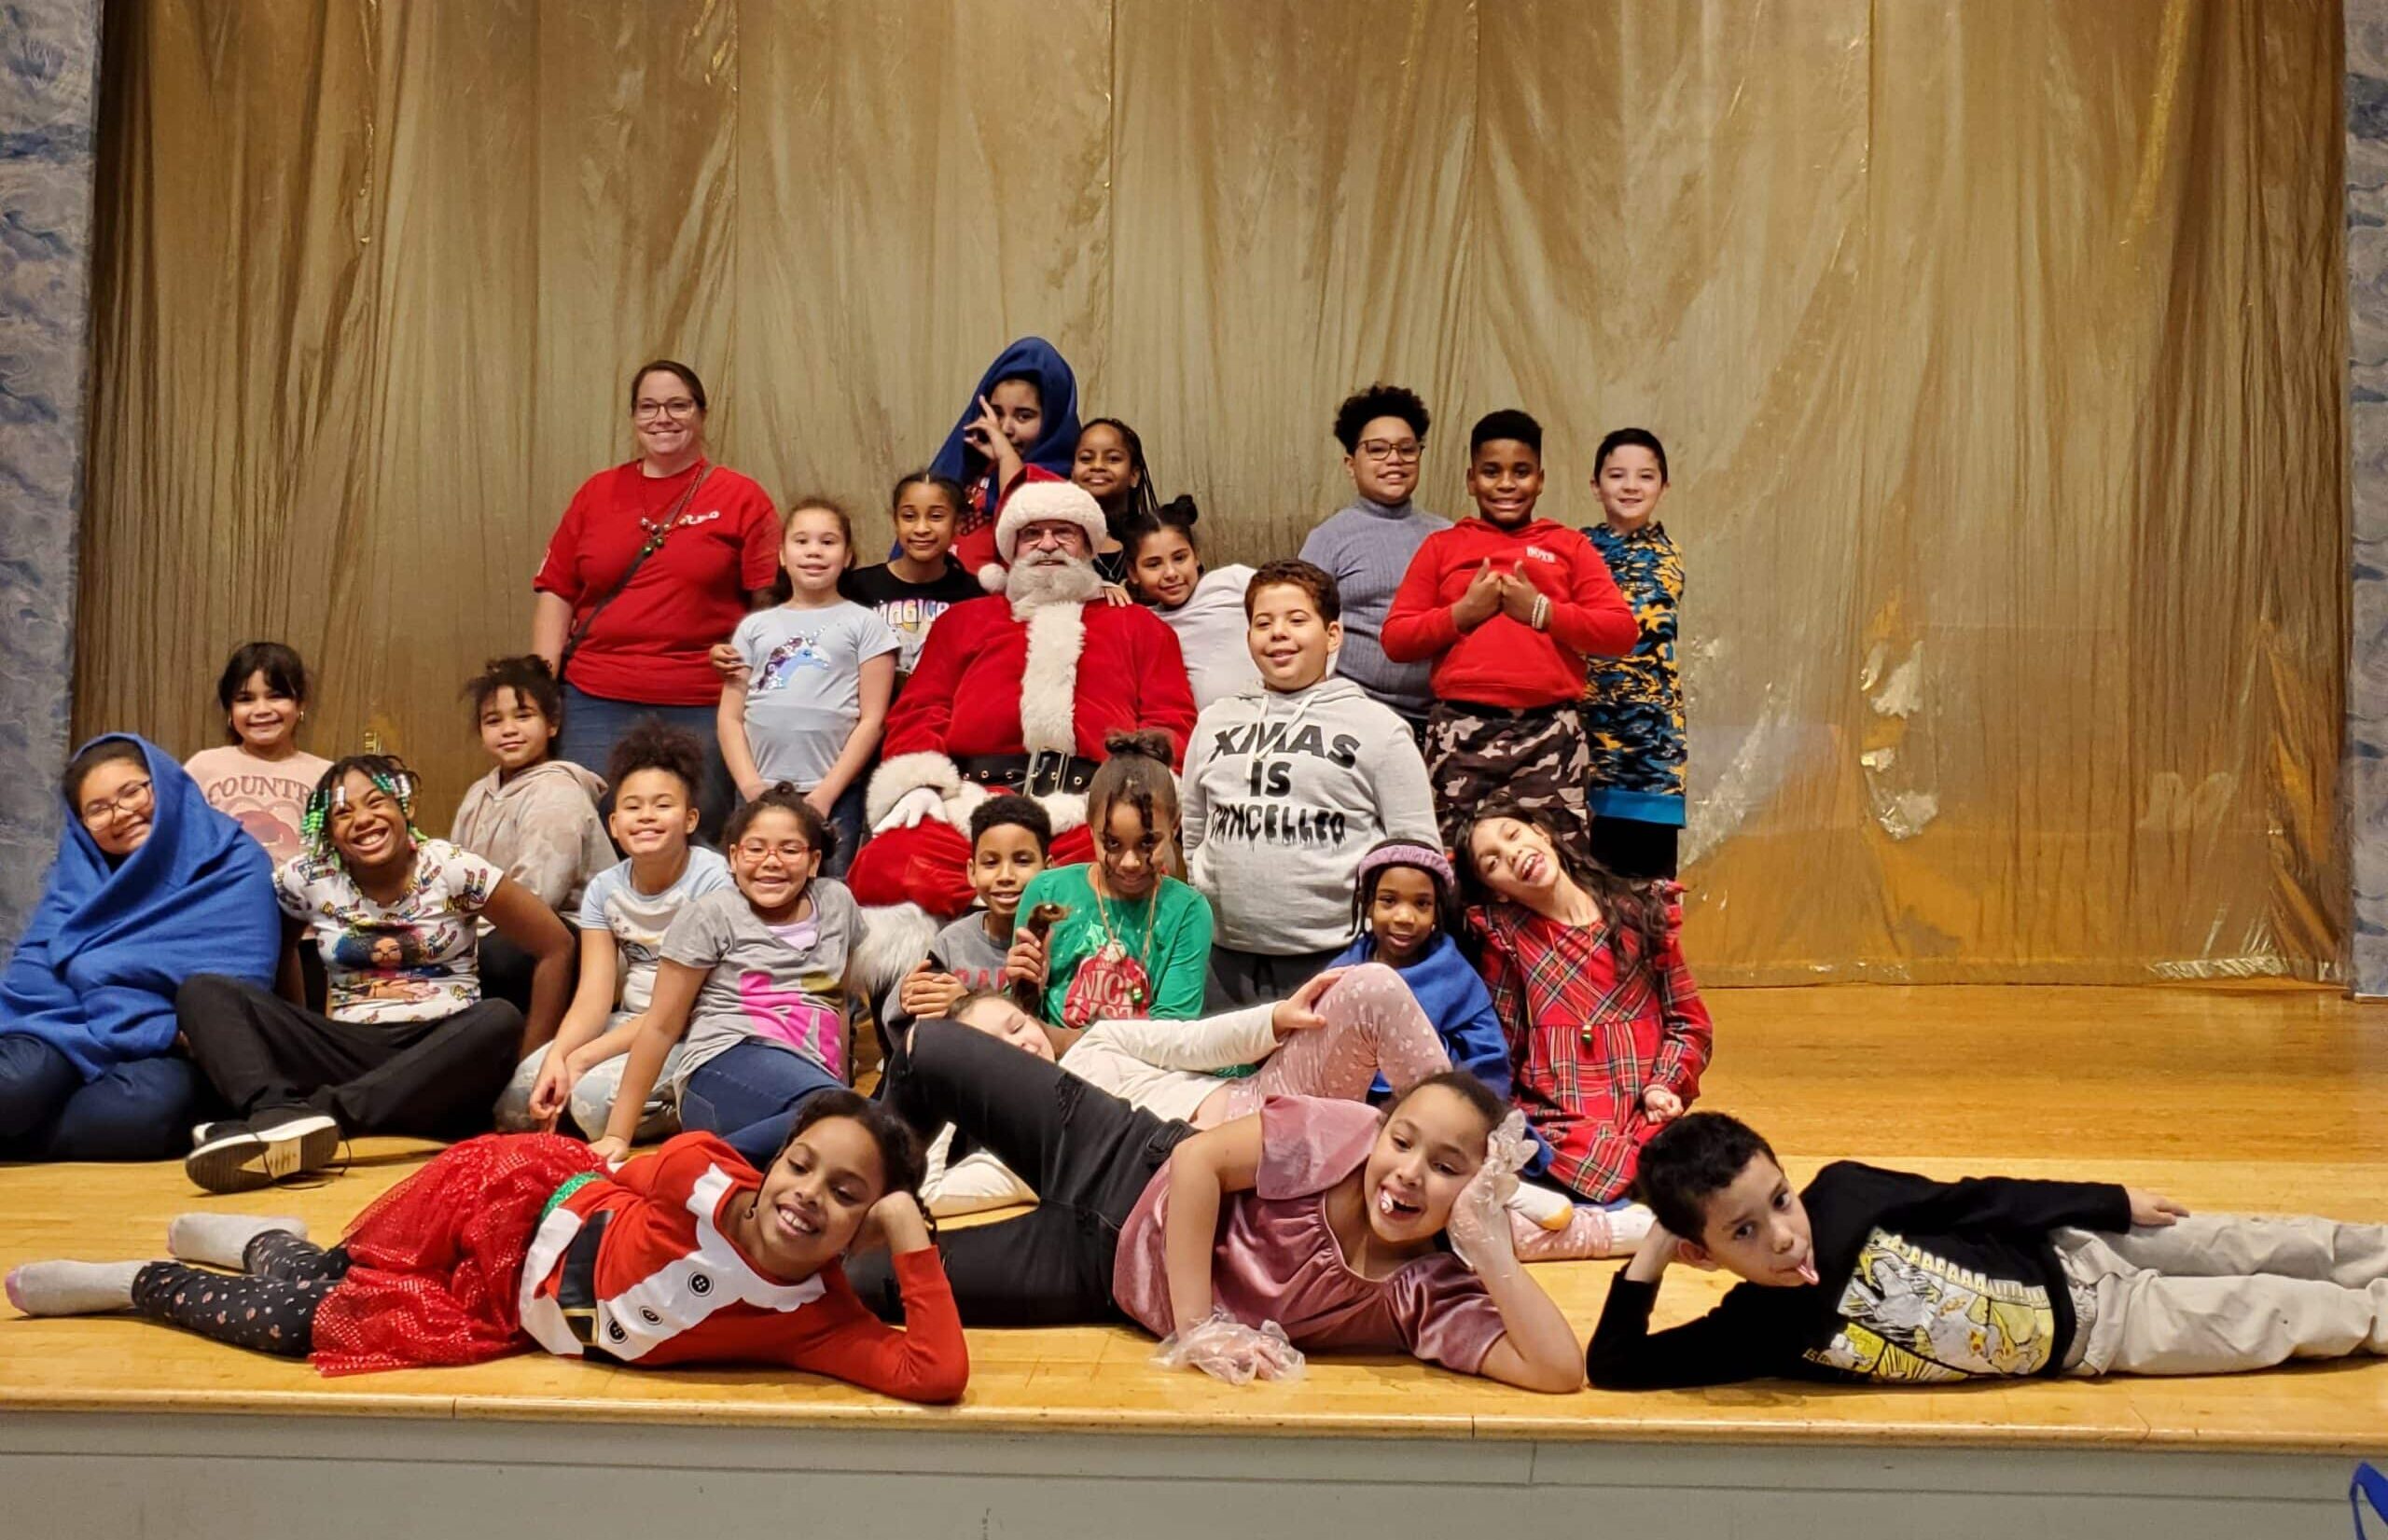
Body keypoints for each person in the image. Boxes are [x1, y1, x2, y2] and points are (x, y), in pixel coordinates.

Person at [4, 1097, 966, 1403]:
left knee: (308, 1320)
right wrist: (738, 1196)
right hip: (517, 1203)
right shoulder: (710, 1175)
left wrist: (910, 1236)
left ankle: (143, 1279)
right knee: (351, 1269)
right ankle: (259, 1238)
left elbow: (934, 1371)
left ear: (865, 1222)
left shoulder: (814, 1322)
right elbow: (652, 1172)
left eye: (846, 1195)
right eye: (803, 1164)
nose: (808, 1195)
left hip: (504, 1314)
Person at [852, 1021, 1585, 1392]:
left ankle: (874, 1232)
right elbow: (1197, 1159)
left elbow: (1559, 1370)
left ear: (1476, 1188)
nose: (1408, 1172)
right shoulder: (1343, 1136)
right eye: (1403, 1140)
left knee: (862, 1284)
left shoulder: (1423, 1292)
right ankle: (860, 1199)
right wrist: (1198, 1326)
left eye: (1446, 1167)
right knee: (926, 1046)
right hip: (1120, 1149)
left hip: (1094, 1269)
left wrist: (1489, 1247)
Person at [1588, 1111, 2388, 1389]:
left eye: (1779, 1200)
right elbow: (1616, 1365)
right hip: (2104, 1335)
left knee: (2265, 1242)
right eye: (1743, 1233)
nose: (1784, 1234)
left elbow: (1975, 1197)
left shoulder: (1843, 1195)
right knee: (2277, 1309)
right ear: (1705, 1251)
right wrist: (1655, 1246)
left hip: (2073, 1248)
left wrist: (2108, 1200)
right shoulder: (1754, 1330)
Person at [176, 756, 576, 1194]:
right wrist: (300, 1026)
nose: (363, 820)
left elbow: (556, 946)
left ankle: (311, 1119)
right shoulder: (307, 878)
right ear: (328, 831)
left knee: (498, 1018)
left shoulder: (452, 867)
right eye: (343, 813)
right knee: (202, 991)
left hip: (444, 1055)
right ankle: (277, 1111)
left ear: (405, 807)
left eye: (377, 802)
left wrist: (528, 1067)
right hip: (349, 1048)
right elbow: (284, 948)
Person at [845, 480, 1198, 920]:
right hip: (969, 804)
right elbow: (922, 709)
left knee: (1125, 876)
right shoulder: (963, 621)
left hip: (1093, 810)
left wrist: (1134, 797)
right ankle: (933, 981)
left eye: (1063, 532)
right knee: (889, 865)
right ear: (1012, 548)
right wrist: (919, 783)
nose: (1047, 544)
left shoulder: (1140, 627)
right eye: (1032, 534)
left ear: (1088, 544)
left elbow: (1171, 721)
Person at [531, 359, 782, 840]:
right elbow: (557, 590)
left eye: (677, 405)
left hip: (703, 698)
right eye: (648, 406)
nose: (662, 417)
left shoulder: (742, 497)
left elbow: (767, 608)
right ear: (632, 417)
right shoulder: (596, 493)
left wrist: (751, 689)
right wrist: (541, 690)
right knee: (591, 827)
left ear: (702, 414)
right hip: (595, 696)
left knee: (699, 828)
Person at [0, 736, 277, 1160]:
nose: (122, 813)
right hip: (62, 1023)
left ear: (163, 785)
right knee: (14, 1086)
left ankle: (19, 1138)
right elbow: (34, 970)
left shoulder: (232, 861)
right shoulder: (79, 869)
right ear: (80, 824)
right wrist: (108, 992)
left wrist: (108, 988)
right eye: (98, 809)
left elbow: (237, 987)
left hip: (166, 1043)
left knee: (141, 1114)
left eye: (132, 791)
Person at [1381, 409, 1636, 859]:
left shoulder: (1569, 546)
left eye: (1520, 472)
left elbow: (1620, 632)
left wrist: (1540, 611)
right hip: (1461, 731)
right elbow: (1397, 639)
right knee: (1458, 866)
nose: (1505, 484)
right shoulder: (1443, 547)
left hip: (1550, 731)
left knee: (1558, 865)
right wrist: (1462, 613)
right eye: (1491, 472)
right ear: (1471, 480)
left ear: (1540, 480)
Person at [1181, 561, 1437, 1008]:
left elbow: (1417, 854)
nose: (1278, 633)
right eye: (1264, 623)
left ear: (1332, 635)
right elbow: (1194, 833)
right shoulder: (1214, 720)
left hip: (1335, 959)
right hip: (1221, 959)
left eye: (1297, 620)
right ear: (1248, 638)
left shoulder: (1382, 729)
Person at [1458, 802, 1713, 1205]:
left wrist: (1664, 1083)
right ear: (1495, 890)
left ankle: (1612, 1210)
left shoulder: (1641, 914)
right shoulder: (1507, 941)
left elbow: (1689, 1022)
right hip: (1562, 1126)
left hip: (1644, 1114)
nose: (1513, 855)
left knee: (1712, 1162)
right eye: (1494, 862)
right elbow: (1502, 1046)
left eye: (1513, 835)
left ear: (1541, 833)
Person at [593, 786, 860, 1170]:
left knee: (854, 1128)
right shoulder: (710, 914)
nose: (772, 861)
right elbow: (661, 1026)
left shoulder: (837, 904)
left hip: (811, 1083)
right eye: (755, 849)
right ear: (733, 857)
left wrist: (842, 1082)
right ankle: (680, 1173)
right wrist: (618, 1133)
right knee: (842, 1118)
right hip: (724, 1061)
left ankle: (709, 1171)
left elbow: (835, 1004)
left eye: (789, 849)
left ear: (814, 861)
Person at [494, 722, 732, 1142]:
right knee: (520, 1097)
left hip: (692, 1029)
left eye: (663, 805)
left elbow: (673, 1016)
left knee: (592, 1102)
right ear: (614, 825)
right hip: (627, 1022)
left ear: (691, 819)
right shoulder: (606, 889)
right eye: (633, 807)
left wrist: (584, 1059)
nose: (646, 817)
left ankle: (689, 1104)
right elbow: (593, 995)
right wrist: (560, 1054)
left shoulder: (713, 883)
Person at [718, 497, 899, 877]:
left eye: (828, 542)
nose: (814, 551)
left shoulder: (866, 625)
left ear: (848, 555)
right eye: (801, 541)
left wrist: (826, 794)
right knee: (757, 882)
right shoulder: (754, 627)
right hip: (759, 786)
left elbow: (872, 720)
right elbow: (731, 717)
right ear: (782, 555)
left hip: (832, 792)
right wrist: (751, 787)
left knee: (830, 890)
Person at [1007, 731, 1212, 1029]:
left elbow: (1169, 1038)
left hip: (1140, 1071)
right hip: (1047, 1065)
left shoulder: (1187, 911)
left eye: (1148, 843)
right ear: (1090, 829)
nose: (1130, 863)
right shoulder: (1047, 890)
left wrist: (1059, 1040)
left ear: (1174, 827)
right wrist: (1025, 989)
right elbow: (1018, 1022)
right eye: (1112, 844)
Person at [450, 656, 614, 1016]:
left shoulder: (558, 789)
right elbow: (453, 872)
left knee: (501, 954)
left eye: (523, 716)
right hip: (491, 925)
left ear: (552, 724)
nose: (508, 729)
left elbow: (540, 897)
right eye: (494, 721)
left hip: (568, 935)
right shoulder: (479, 792)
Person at [1298, 384, 1451, 740]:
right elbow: (1304, 628)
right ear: (1351, 464)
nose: (1394, 459)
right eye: (1377, 450)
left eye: (1406, 449)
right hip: (1355, 719)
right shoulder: (1329, 538)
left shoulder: (1449, 534)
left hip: (1442, 719)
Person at [1581, 428, 1687, 881]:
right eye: (1617, 474)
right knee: (1588, 883)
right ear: (1596, 484)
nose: (1630, 486)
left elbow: (1636, 631)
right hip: (1586, 740)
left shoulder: (1667, 555)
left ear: (1664, 487)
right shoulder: (1574, 549)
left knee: (1648, 893)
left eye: (1645, 476)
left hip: (1653, 748)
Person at [886, 795, 1050, 1044]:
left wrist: (966, 1005)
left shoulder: (1062, 941)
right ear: (972, 873)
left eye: (1022, 861)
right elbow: (909, 1030)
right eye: (991, 862)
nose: (1005, 875)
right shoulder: (952, 943)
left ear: (1048, 869)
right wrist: (905, 995)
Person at [929, 337, 1080, 587]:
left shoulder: (1060, 485)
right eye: (996, 413)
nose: (1005, 429)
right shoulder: (975, 467)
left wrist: (1005, 457)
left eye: (1024, 416)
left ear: (1052, 420)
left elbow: (1020, 509)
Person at [186, 642, 332, 867]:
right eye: (245, 699)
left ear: (300, 704)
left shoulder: (326, 775)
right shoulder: (203, 767)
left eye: (275, 696)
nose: (262, 710)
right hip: (224, 897)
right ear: (229, 710)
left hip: (301, 899)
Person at [840, 472, 986, 687]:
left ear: (958, 523)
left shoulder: (975, 595)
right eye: (909, 516)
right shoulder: (856, 588)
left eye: (936, 517)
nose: (921, 529)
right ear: (895, 522)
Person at [1123, 499, 1258, 709]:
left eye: (1180, 558)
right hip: (1212, 732)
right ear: (1133, 572)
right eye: (1153, 564)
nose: (1170, 573)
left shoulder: (1232, 581)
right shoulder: (1144, 622)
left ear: (1196, 556)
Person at [1072, 416, 1162, 587]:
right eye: (1086, 458)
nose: (1097, 465)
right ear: (1072, 473)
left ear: (1134, 475)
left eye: (1113, 459)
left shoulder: (1154, 539)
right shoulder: (1057, 539)